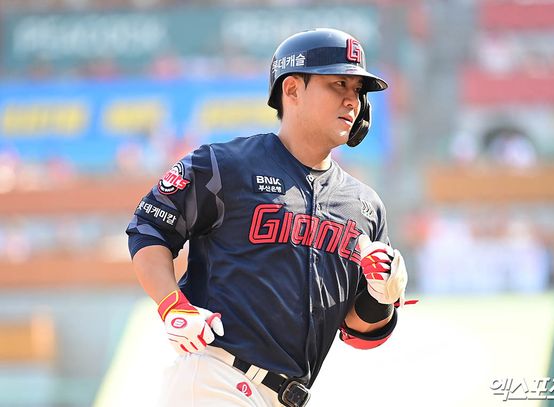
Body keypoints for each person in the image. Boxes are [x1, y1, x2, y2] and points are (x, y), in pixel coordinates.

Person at [126, 28, 409, 407]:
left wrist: (381, 297)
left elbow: (359, 332)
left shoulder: (364, 206)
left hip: (287, 396)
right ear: (292, 90)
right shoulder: (224, 165)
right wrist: (172, 305)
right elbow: (149, 230)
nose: (352, 100)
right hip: (218, 377)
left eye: (358, 90)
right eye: (338, 83)